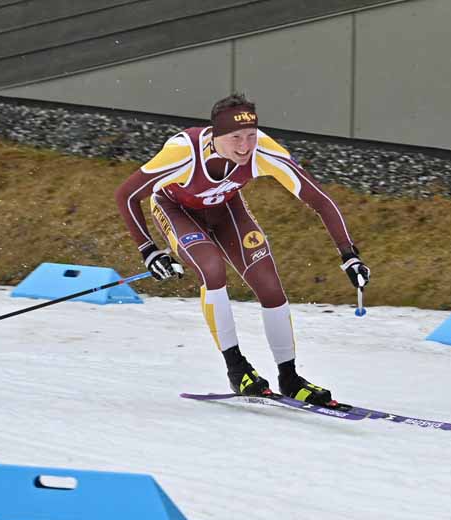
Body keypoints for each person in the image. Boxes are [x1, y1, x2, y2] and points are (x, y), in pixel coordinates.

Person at [114, 94, 370, 408]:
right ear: (215, 135)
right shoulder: (184, 152)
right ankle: (237, 369)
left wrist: (350, 254)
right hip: (176, 208)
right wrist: (149, 250)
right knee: (212, 269)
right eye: (235, 138)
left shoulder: (262, 149)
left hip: (226, 209)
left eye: (250, 136)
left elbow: (319, 200)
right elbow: (126, 196)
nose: (245, 147)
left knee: (270, 285)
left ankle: (289, 378)